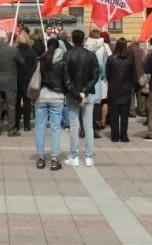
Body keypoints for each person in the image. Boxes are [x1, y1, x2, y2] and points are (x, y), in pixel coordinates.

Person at [62, 29, 100, 167]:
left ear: (72, 39)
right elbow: (95, 75)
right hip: (87, 93)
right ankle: (88, 156)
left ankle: (74, 156)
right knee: (88, 125)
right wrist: (84, 91)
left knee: (74, 125)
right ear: (84, 39)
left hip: (73, 94)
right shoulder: (91, 55)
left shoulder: (67, 54)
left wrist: (77, 93)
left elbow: (65, 78)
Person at [34, 37, 67, 170]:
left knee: (40, 128)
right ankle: (54, 159)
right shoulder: (63, 62)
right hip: (57, 97)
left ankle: (41, 158)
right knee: (55, 128)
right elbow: (65, 80)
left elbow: (37, 79)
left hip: (42, 96)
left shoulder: (41, 60)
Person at [0, 29, 24, 136]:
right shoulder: (13, 50)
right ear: (7, 39)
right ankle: (11, 129)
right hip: (10, 81)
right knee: (11, 106)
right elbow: (22, 62)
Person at [105, 38, 135, 143]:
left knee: (114, 114)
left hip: (113, 88)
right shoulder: (130, 59)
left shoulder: (111, 58)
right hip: (126, 89)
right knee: (124, 115)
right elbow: (133, 75)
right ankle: (124, 136)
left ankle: (114, 136)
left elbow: (107, 75)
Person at [85, 30, 112, 135]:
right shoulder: (105, 46)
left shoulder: (87, 45)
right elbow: (109, 61)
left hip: (91, 79)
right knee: (101, 101)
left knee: (92, 102)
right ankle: (101, 121)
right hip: (102, 79)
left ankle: (90, 124)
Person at [15, 32, 38, 132]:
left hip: (16, 79)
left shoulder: (15, 51)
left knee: (16, 103)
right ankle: (26, 125)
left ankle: (16, 125)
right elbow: (35, 66)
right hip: (28, 79)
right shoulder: (32, 52)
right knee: (27, 103)